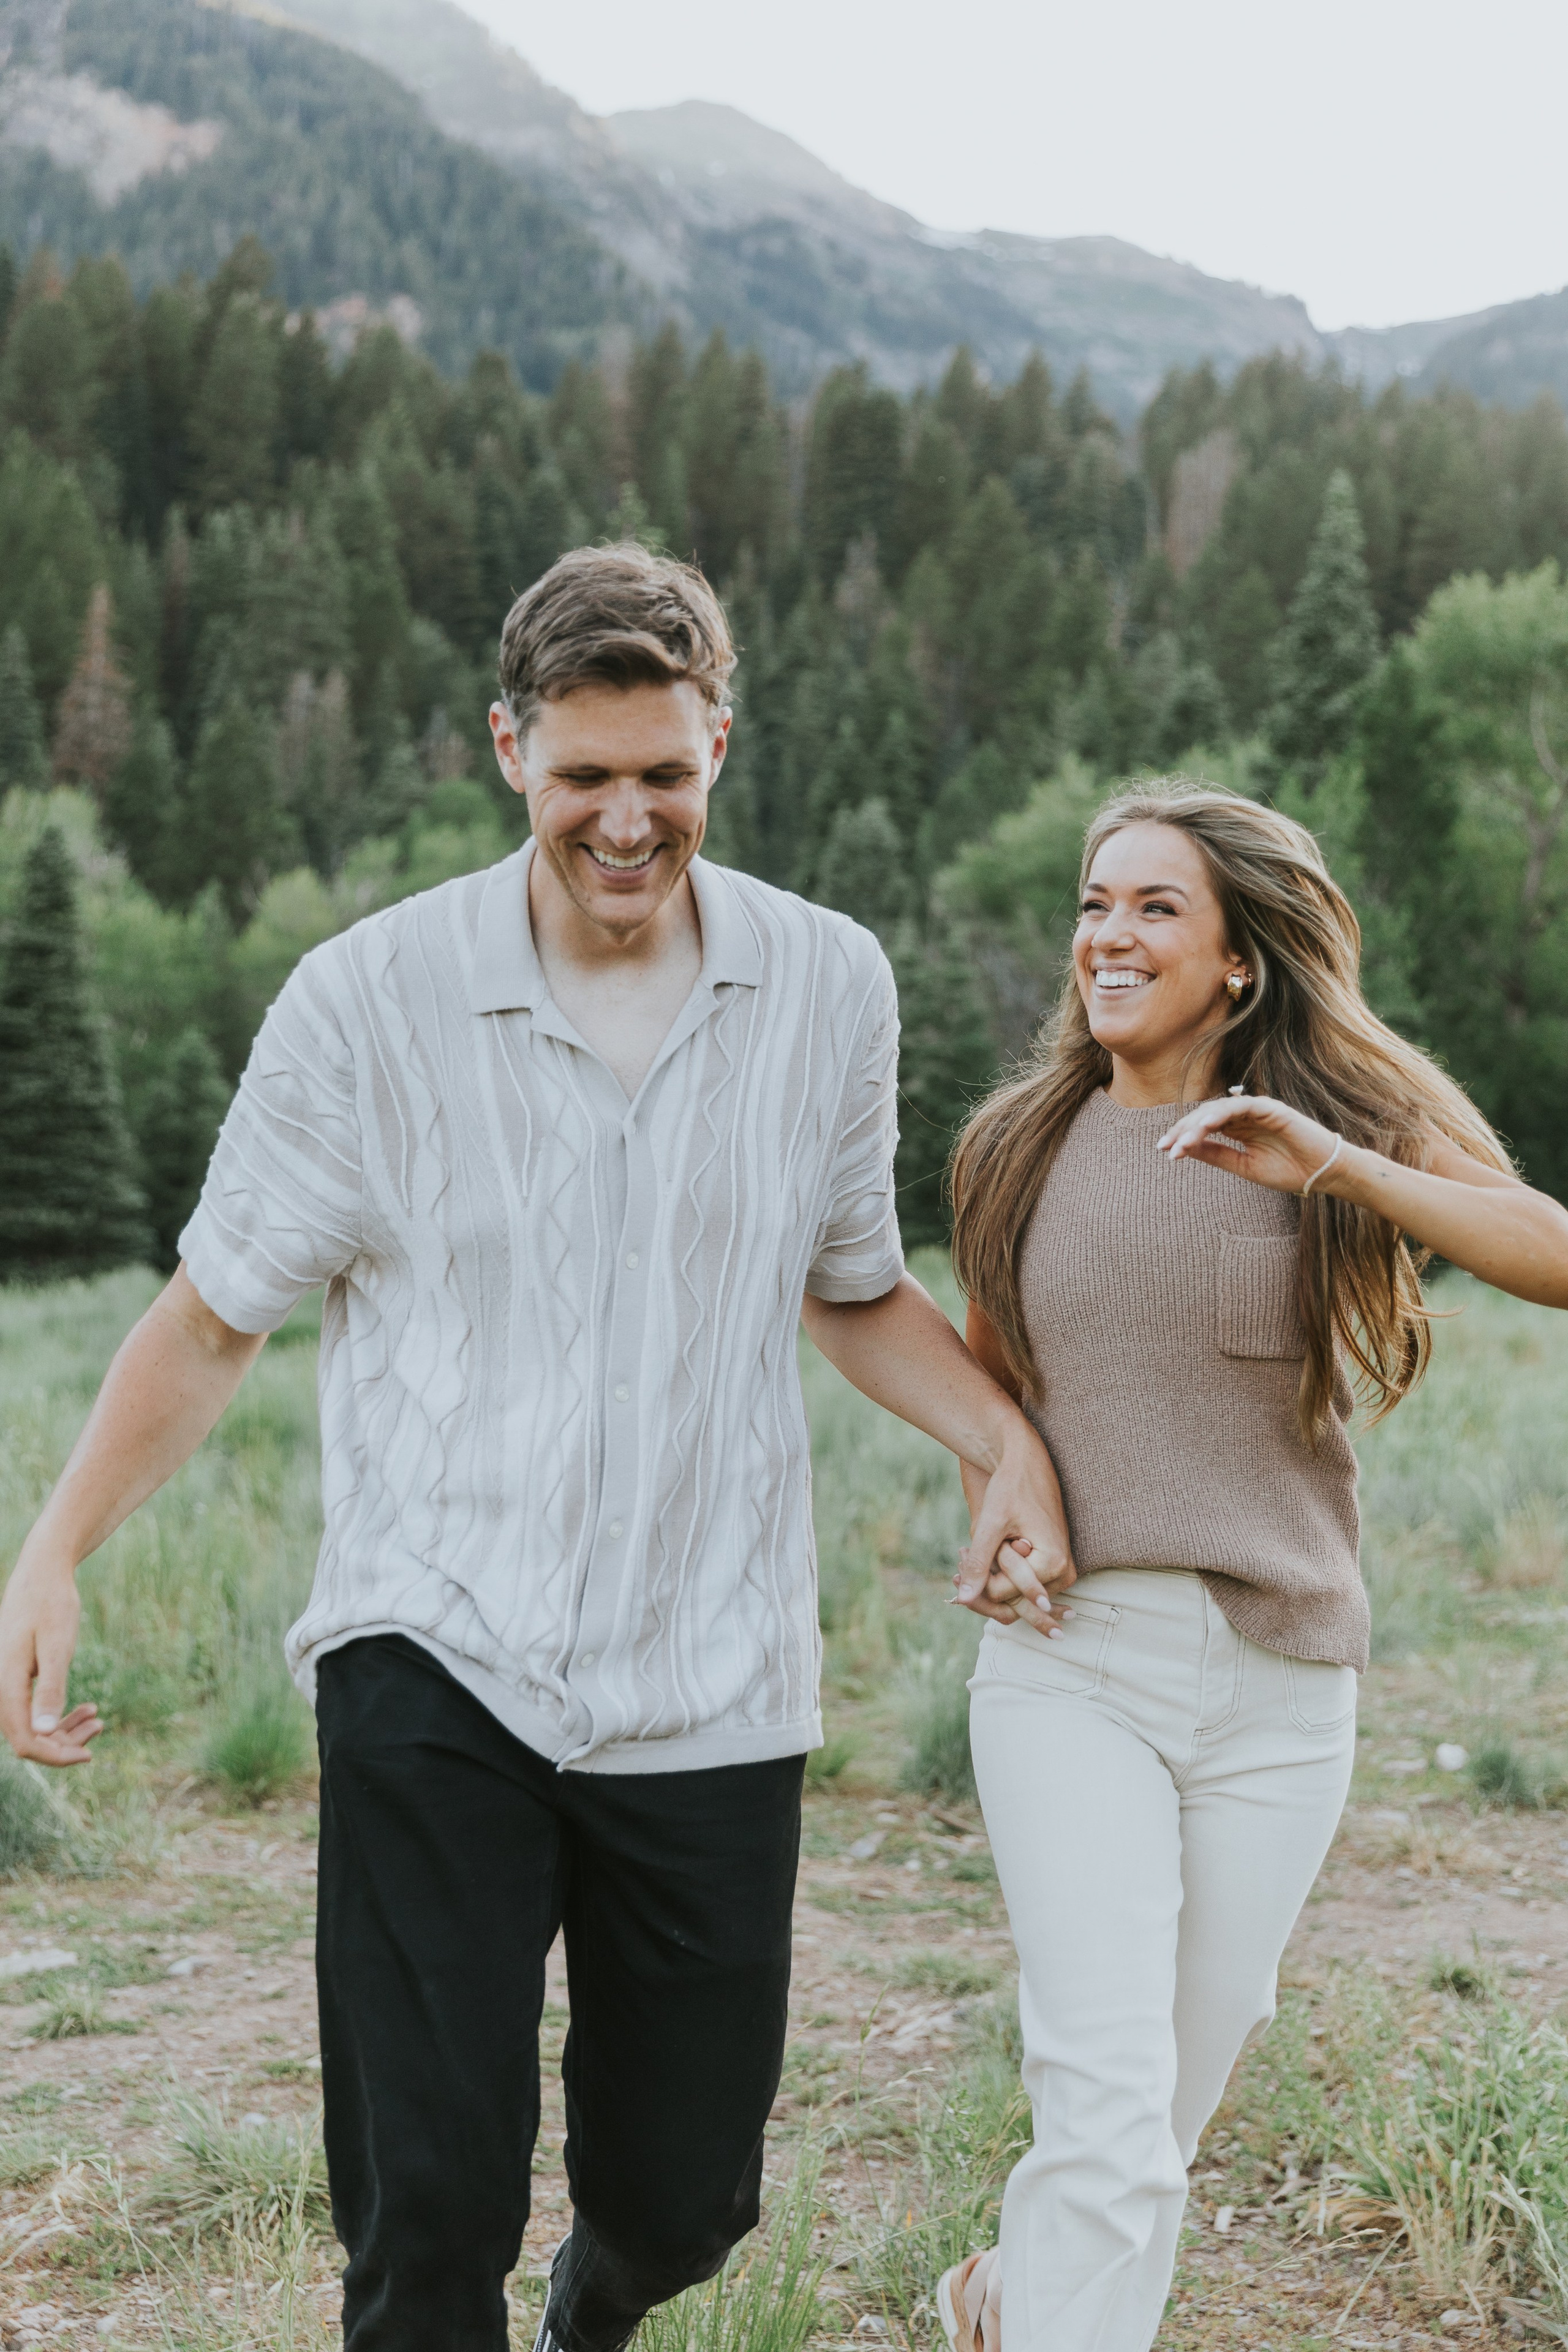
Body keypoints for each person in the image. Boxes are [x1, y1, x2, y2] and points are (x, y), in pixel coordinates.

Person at [0, 542, 1075, 2352]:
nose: (627, 821)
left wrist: (1002, 1439)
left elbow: (852, 1285)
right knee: (428, 2213)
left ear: (719, 742)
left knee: (687, 2198)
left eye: (664, 772)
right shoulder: (366, 998)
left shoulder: (830, 983)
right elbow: (210, 1318)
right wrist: (53, 1551)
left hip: (714, 1672)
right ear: (509, 749)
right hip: (435, 1652)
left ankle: (596, 2311)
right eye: (583, 776)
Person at [935, 779, 1568, 2352]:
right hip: (1072, 1669)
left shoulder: (1328, 1126)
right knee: (1104, 2105)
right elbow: (989, 1400)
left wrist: (1334, 1168)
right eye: (1094, 903)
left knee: (1165, 2106)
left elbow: (1549, 1253)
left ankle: (1010, 2299)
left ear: (1237, 959)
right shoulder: (1016, 1145)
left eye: (1154, 906)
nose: (1108, 935)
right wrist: (997, 1516)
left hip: (1281, 1688)